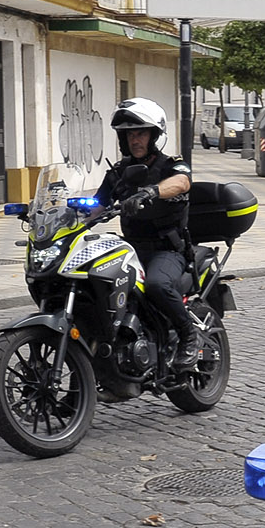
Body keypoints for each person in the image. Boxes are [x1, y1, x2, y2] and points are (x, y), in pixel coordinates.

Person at [95, 97, 200, 369]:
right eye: (129, 134)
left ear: (154, 135)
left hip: (166, 250)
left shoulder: (170, 165)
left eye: (140, 132)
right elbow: (96, 205)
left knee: (156, 285)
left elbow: (182, 182)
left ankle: (189, 337)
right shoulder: (118, 172)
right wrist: (65, 213)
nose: (134, 140)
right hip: (131, 249)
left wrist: (152, 191)